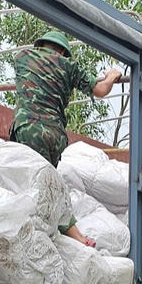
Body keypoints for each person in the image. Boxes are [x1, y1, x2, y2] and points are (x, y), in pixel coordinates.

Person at [11, 30, 121, 245]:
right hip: (53, 134)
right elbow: (100, 90)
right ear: (62, 51)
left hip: (27, 129)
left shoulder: (22, 57)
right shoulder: (68, 66)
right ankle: (73, 234)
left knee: (29, 185)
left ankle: (39, 230)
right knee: (49, 182)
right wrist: (111, 76)